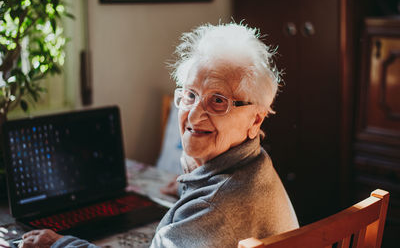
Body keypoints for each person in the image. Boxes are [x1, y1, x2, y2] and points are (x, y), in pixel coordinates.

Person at [18, 22, 299, 248]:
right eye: (190, 95)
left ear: (256, 118)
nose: (193, 115)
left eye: (218, 101)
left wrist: (59, 243)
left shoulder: (215, 207)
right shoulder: (252, 163)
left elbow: (219, 211)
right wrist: (187, 186)